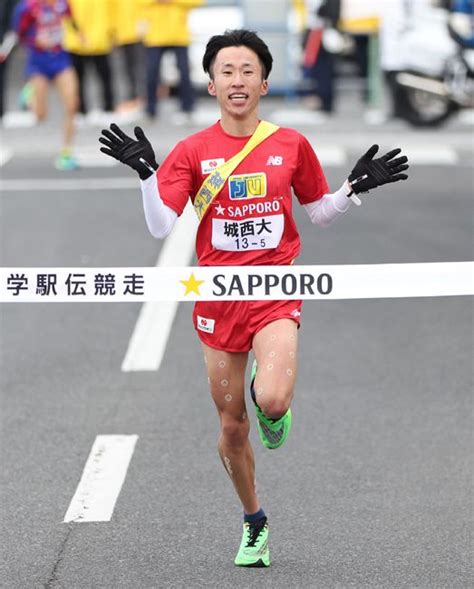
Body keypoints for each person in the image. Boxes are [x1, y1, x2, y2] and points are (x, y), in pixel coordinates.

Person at [99, 29, 409, 568]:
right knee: (231, 426)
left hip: (273, 293)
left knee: (270, 400)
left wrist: (351, 191)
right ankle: (254, 521)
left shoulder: (290, 144)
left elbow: (317, 212)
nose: (237, 80)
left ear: (264, 82)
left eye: (247, 71)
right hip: (218, 300)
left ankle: (274, 406)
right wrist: (148, 176)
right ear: (212, 83)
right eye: (226, 71)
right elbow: (160, 226)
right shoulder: (193, 151)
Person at [13, 0, 80, 170]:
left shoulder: (63, 4)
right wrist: (35, 41)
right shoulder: (27, 7)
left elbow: (72, 19)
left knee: (72, 106)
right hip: (38, 63)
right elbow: (19, 35)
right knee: (41, 116)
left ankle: (66, 153)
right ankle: (29, 95)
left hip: (60, 60)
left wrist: (80, 34)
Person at [141, 0, 203, 121]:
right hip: (155, 35)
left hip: (178, 34)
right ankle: (150, 109)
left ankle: (187, 107)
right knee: (151, 73)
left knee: (184, 72)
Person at [63, 0, 115, 121]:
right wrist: (76, 32)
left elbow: (110, 11)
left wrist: (111, 32)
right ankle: (81, 110)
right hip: (77, 41)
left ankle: (108, 108)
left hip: (99, 39)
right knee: (78, 79)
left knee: (104, 76)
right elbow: (66, 12)